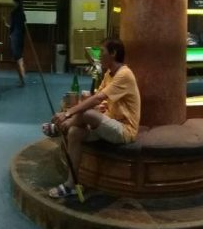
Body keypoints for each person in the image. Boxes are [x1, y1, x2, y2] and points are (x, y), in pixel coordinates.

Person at [44, 38, 141, 199]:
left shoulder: (124, 74)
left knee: (87, 114)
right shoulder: (109, 73)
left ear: (113, 53)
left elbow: (97, 99)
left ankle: (60, 127)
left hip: (124, 130)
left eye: (102, 52)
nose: (99, 56)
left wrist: (68, 114)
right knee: (74, 132)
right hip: (108, 123)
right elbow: (98, 98)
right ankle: (71, 185)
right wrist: (91, 105)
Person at [5, 0, 26, 86]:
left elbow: (13, 26)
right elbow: (23, 26)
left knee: (17, 58)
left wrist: (10, 34)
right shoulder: (22, 12)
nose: (13, 3)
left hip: (15, 36)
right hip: (21, 36)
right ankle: (22, 78)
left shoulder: (14, 12)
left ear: (16, 2)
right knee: (20, 58)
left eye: (14, 2)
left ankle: (22, 80)